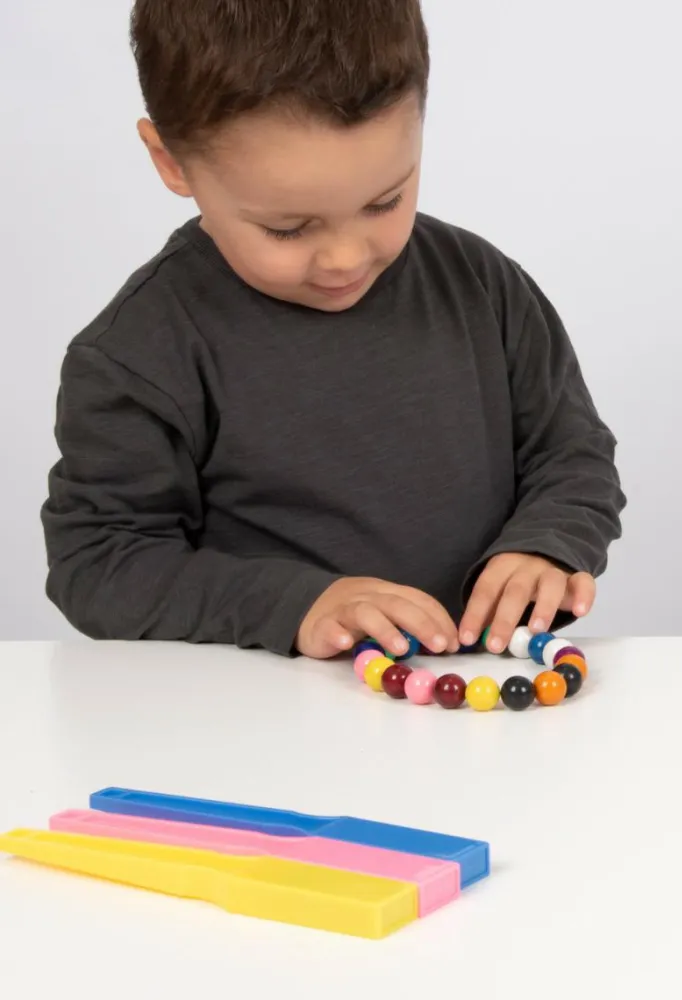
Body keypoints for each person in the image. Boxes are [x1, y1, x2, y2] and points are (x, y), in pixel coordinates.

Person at [40, 0, 626, 662]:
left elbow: (570, 451)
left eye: (384, 201)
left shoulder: (482, 285)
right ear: (172, 161)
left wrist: (547, 543)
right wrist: (297, 605)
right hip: (265, 712)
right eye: (288, 228)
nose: (346, 259)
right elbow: (99, 563)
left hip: (480, 700)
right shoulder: (139, 352)